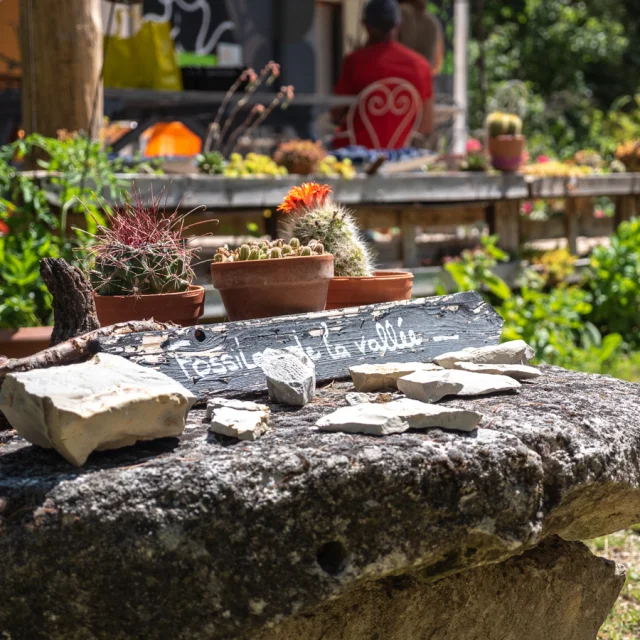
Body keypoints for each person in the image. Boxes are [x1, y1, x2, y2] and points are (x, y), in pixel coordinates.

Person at [331, 0, 433, 149]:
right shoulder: (421, 65)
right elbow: (426, 125)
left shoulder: (356, 61)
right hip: (400, 153)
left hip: (357, 151)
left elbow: (335, 111)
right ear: (398, 25)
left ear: (365, 25)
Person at [397, 0, 444, 74]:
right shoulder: (432, 22)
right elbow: (436, 64)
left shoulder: (397, 16)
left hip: (394, 77)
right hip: (422, 77)